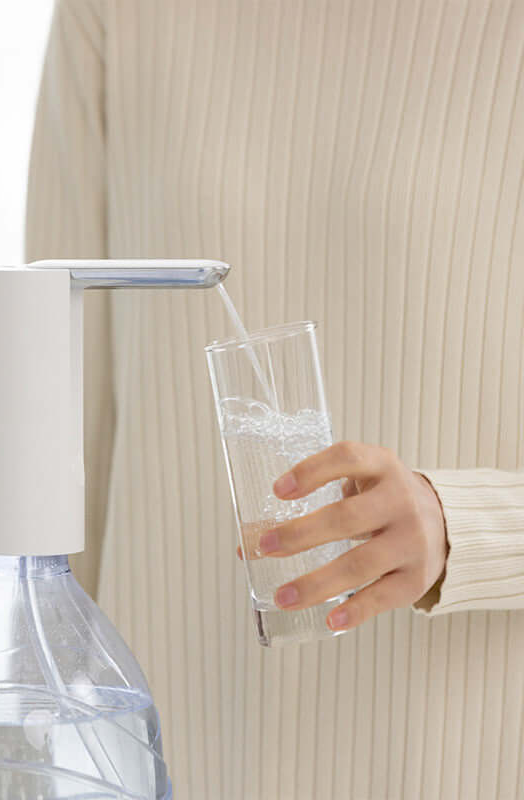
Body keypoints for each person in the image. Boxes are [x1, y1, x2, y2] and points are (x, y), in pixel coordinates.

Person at [26, 1, 524, 797]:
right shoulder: (115, 15)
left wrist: (466, 525)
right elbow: (55, 406)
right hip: (169, 747)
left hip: (458, 748)